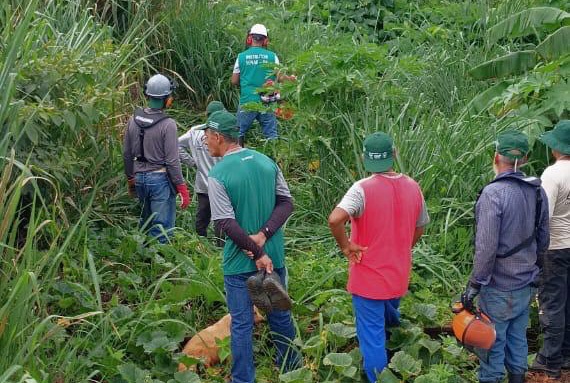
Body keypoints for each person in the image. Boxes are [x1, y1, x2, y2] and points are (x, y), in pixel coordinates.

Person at [201, 110, 300, 383]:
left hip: (238, 263)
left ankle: (244, 379)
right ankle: (293, 370)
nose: (206, 143)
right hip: (274, 257)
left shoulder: (218, 174)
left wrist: (255, 250)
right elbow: (286, 203)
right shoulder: (266, 162)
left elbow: (226, 224)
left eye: (207, 137)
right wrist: (265, 236)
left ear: (219, 137)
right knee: (279, 315)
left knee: (242, 323)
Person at [328, 132, 429, 382]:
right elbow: (420, 225)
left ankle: (379, 377)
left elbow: (334, 219)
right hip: (398, 273)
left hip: (368, 277)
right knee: (388, 319)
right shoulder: (413, 186)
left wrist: (346, 245)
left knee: (372, 337)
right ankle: (401, 356)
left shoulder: (361, 189)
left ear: (364, 158)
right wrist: (403, 246)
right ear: (394, 154)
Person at [462, 130, 550, 383]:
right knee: (517, 338)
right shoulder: (536, 191)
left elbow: (486, 247)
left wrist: (475, 284)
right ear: (524, 159)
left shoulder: (493, 194)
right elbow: (543, 238)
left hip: (499, 285)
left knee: (491, 343)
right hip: (526, 282)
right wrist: (537, 271)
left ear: (496, 156)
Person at [123, 74, 190, 243]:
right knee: (162, 228)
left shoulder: (133, 119)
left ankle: (145, 260)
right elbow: (172, 161)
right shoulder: (168, 125)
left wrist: (130, 177)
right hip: (159, 179)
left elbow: (126, 153)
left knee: (145, 223)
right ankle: (160, 265)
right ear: (166, 99)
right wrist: (181, 187)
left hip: (139, 178)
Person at [530, 120, 570, 379]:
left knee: (553, 302)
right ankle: (565, 353)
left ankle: (550, 359)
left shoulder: (552, 174)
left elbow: (543, 215)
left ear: (557, 148)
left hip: (555, 247)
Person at [231, 23, 294, 146]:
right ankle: (273, 160)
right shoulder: (272, 56)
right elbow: (280, 77)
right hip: (268, 102)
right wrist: (291, 79)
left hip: (247, 101)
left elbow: (234, 81)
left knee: (237, 133)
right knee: (271, 135)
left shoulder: (241, 57)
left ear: (250, 39)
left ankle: (237, 158)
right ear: (265, 41)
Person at [178, 101, 225, 240]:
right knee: (221, 216)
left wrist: (192, 162)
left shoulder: (195, 132)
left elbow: (176, 145)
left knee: (202, 216)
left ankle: (200, 243)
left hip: (203, 183)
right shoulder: (226, 132)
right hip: (222, 183)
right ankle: (220, 245)